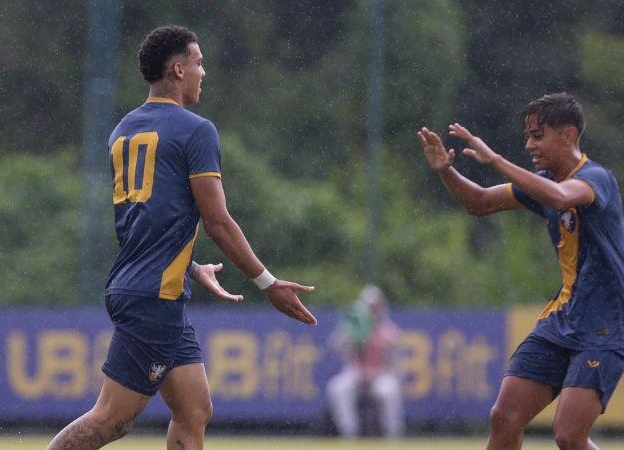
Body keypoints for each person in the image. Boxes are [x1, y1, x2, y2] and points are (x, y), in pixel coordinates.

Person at [47, 25, 317, 450]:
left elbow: (147, 220)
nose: (202, 72)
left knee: (194, 409)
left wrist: (188, 264)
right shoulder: (196, 130)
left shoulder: (123, 130)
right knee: (112, 419)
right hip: (155, 295)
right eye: (198, 62)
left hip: (148, 286)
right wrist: (268, 283)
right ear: (177, 69)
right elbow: (218, 222)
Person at [417, 93, 624, 450]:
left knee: (568, 435)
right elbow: (480, 202)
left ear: (567, 135)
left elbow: (561, 197)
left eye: (538, 135)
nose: (529, 145)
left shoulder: (596, 179)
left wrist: (496, 160)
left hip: (606, 324)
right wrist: (446, 170)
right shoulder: (544, 181)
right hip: (563, 319)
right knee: (504, 418)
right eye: (528, 136)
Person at [326, 285, 404, 439]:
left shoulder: (389, 331)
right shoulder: (353, 328)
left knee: (389, 391)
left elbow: (395, 363)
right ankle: (350, 433)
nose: (372, 310)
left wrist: (376, 375)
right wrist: (348, 331)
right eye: (369, 307)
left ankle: (392, 435)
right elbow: (336, 347)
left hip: (380, 375)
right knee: (338, 388)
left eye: (375, 307)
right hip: (355, 373)